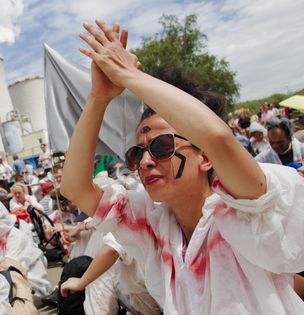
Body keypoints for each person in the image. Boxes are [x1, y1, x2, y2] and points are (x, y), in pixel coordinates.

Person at [61, 20, 304, 313]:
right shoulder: (152, 222)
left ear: (205, 157)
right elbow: (74, 188)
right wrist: (98, 98)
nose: (147, 161)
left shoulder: (246, 207)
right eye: (138, 153)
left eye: (162, 146)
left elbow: (217, 137)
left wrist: (128, 76)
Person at [0, 200, 51, 299]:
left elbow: (9, 266)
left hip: (32, 286)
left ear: (0, 219)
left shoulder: (16, 236)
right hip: (6, 282)